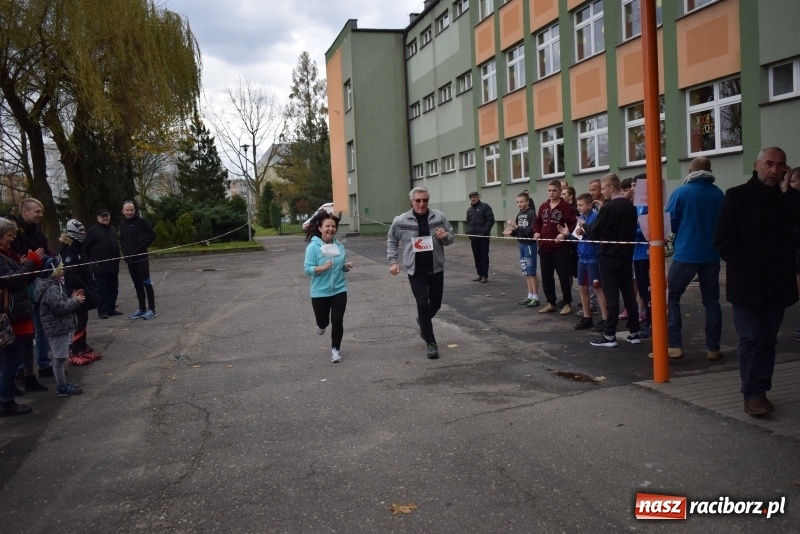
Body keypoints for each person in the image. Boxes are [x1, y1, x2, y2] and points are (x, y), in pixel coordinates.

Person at [714, 147, 800, 416]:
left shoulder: (788, 198)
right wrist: (745, 263)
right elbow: (724, 238)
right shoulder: (737, 196)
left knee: (768, 339)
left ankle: (761, 388)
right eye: (769, 164)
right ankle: (752, 394)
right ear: (757, 165)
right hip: (747, 283)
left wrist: (788, 193)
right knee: (750, 337)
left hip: (778, 283)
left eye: (780, 165)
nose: (774, 170)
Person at [658, 157, 724, 361]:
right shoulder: (718, 193)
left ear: (690, 171)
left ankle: (675, 345)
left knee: (672, 297)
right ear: (710, 171)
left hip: (686, 254)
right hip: (711, 255)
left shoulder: (682, 192)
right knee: (712, 302)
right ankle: (713, 348)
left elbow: (669, 223)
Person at [387, 187, 454, 359]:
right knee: (422, 303)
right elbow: (392, 240)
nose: (422, 204)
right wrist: (393, 262)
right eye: (418, 201)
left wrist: (445, 236)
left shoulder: (438, 217)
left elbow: (450, 237)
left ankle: (422, 321)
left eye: (425, 200)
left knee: (435, 304)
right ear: (412, 201)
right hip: (416, 270)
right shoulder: (401, 220)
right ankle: (430, 342)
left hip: (436, 268)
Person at [575, 173, 640, 347]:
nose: (602, 192)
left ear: (611, 188)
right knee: (629, 295)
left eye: (603, 188)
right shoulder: (630, 205)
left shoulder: (609, 207)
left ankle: (610, 334)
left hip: (609, 257)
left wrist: (583, 225)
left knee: (611, 297)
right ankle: (634, 332)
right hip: (626, 255)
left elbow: (595, 231)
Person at [0, 217, 45, 416]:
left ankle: (7, 397)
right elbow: (12, 280)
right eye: (9, 236)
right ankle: (6, 401)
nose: (13, 239)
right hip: (11, 313)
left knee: (13, 356)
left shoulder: (6, 255)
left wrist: (29, 264)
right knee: (11, 358)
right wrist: (31, 263)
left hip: (17, 310)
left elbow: (20, 277)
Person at [11, 198, 54, 379]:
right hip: (21, 288)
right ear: (25, 212)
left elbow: (47, 253)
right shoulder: (14, 233)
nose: (40, 215)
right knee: (23, 332)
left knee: (42, 324)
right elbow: (14, 263)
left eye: (41, 211)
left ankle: (44, 363)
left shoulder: (39, 232)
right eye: (37, 211)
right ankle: (20, 369)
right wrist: (30, 260)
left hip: (40, 282)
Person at [303, 212, 353, 363]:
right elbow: (307, 269)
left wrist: (346, 266)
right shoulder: (313, 247)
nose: (331, 229)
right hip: (320, 292)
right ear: (320, 228)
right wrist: (322, 268)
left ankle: (335, 350)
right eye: (327, 226)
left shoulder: (339, 246)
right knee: (323, 321)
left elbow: (341, 266)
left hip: (339, 289)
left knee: (337, 321)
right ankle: (321, 325)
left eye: (333, 226)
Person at [34, 264, 86, 396]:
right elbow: (60, 307)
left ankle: (62, 384)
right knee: (59, 358)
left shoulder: (54, 286)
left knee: (60, 357)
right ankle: (61, 387)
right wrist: (75, 301)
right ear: (54, 272)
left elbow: (60, 303)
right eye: (60, 269)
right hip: (57, 328)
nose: (63, 271)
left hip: (58, 327)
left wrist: (71, 298)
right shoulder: (52, 288)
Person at [558, 193, 607, 330]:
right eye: (577, 205)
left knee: (597, 288)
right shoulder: (581, 218)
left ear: (590, 205)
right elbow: (577, 239)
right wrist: (567, 235)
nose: (578, 208)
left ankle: (606, 318)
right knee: (583, 287)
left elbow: (597, 236)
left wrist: (584, 232)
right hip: (582, 258)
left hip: (593, 257)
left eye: (581, 205)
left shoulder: (596, 217)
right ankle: (587, 317)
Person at [60, 219, 101, 365]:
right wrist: (82, 286)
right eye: (81, 231)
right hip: (76, 289)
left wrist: (90, 284)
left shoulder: (79, 246)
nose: (83, 233)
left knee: (84, 319)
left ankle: (82, 349)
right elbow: (70, 272)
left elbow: (84, 268)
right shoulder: (68, 247)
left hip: (85, 285)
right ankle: (74, 352)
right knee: (80, 320)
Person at [533, 179, 576, 315]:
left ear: (560, 191)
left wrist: (564, 235)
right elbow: (537, 222)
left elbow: (573, 224)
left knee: (563, 276)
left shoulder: (566, 208)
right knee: (546, 277)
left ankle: (567, 303)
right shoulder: (543, 206)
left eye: (554, 190)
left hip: (560, 248)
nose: (551, 193)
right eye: (549, 190)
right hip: (544, 248)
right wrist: (536, 232)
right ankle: (551, 303)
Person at [119, 201, 157, 320]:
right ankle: (142, 309)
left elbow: (151, 234)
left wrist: (140, 248)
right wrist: (124, 251)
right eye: (127, 210)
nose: (129, 212)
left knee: (146, 283)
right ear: (123, 211)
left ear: (134, 210)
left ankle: (152, 309)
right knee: (137, 284)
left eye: (131, 210)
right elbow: (122, 240)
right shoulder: (122, 225)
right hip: (130, 260)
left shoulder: (141, 221)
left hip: (141, 258)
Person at [503, 192, 540, 308]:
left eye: (521, 201)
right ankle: (530, 295)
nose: (519, 204)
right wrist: (511, 232)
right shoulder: (519, 214)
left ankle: (535, 297)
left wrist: (516, 226)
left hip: (529, 245)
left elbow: (530, 231)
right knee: (526, 272)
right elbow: (519, 231)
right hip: (522, 245)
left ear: (527, 202)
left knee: (531, 271)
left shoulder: (531, 213)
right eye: (517, 202)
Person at [84, 208, 122, 319]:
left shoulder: (113, 229)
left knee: (113, 288)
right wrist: (91, 261)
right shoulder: (93, 230)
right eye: (103, 216)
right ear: (98, 218)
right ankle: (103, 311)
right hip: (99, 267)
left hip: (113, 265)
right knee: (101, 289)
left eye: (107, 216)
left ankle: (111, 309)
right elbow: (85, 247)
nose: (105, 218)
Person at [465, 191, 494, 283]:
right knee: (476, 256)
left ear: (478, 197)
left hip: (483, 237)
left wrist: (485, 231)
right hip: (473, 237)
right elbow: (468, 222)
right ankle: (480, 274)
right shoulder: (469, 210)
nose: (473, 199)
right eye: (471, 197)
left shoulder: (485, 207)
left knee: (484, 256)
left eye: (475, 197)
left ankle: (485, 275)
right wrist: (468, 231)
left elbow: (491, 220)